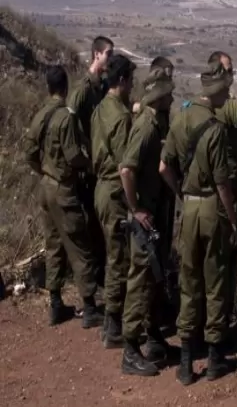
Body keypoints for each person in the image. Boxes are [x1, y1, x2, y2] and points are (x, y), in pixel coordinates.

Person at [160, 60, 237, 386]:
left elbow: (164, 167)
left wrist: (182, 193)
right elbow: (223, 184)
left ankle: (185, 362)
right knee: (215, 284)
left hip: (188, 210)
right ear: (217, 92)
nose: (229, 94)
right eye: (227, 89)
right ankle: (216, 357)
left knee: (189, 285)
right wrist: (233, 221)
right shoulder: (216, 129)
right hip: (211, 211)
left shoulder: (180, 119)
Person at [24, 65, 103, 329]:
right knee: (79, 244)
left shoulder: (40, 115)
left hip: (45, 187)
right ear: (65, 87)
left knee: (54, 245)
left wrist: (45, 171)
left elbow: (30, 154)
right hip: (62, 189)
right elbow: (73, 156)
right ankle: (90, 307)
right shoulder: (65, 117)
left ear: (48, 87)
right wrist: (89, 165)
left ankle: (56, 303)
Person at [120, 67, 177, 376]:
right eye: (168, 92)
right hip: (144, 219)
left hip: (152, 216)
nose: (172, 96)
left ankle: (154, 339)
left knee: (153, 280)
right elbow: (126, 169)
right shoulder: (145, 128)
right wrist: (136, 208)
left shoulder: (155, 123)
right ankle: (130, 350)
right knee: (140, 282)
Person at [91, 53, 136, 347]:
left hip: (101, 188)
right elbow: (125, 165)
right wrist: (135, 204)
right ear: (122, 81)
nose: (133, 85)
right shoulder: (119, 118)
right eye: (131, 80)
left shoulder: (101, 108)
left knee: (112, 254)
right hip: (115, 192)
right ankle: (113, 324)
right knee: (119, 258)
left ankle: (110, 322)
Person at [68, 35, 114, 285]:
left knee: (98, 228)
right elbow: (70, 123)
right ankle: (88, 283)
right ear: (96, 54)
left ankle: (97, 279)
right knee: (89, 227)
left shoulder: (103, 87)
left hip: (99, 165)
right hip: (88, 167)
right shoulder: (84, 89)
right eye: (108, 54)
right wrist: (83, 154)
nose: (110, 58)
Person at [205, 51, 237, 330]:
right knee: (225, 265)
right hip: (225, 193)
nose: (231, 76)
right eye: (227, 71)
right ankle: (220, 330)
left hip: (203, 197)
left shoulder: (196, 107)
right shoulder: (230, 109)